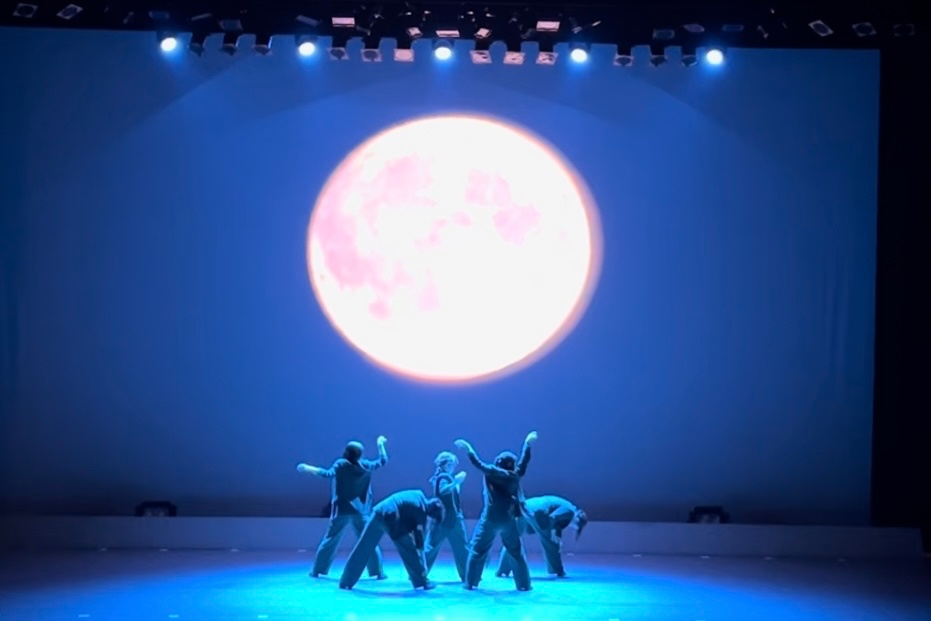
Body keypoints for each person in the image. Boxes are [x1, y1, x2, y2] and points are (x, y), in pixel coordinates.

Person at [454, 431, 537, 591]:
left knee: (477, 551)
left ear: (499, 462)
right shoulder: (515, 475)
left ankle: (470, 583)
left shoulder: (491, 472)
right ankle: (524, 585)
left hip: (490, 519)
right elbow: (524, 462)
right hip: (509, 519)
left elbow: (477, 463)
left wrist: (468, 448)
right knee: (516, 553)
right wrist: (527, 444)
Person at [296, 436, 388, 580]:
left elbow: (327, 474)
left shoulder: (341, 464)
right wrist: (380, 444)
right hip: (361, 511)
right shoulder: (366, 465)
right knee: (367, 541)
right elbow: (383, 461)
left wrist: (308, 468)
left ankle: (318, 570)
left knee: (330, 540)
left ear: (346, 452)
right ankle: (378, 572)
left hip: (342, 510)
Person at [339, 489, 445, 590]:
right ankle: (422, 582)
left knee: (363, 547)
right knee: (409, 552)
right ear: (431, 513)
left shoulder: (418, 494)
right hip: (392, 518)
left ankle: (346, 581)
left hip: (379, 511)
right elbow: (419, 544)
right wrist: (423, 566)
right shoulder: (421, 513)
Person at [495, 495, 588, 578]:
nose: (573, 527)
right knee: (551, 544)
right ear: (578, 519)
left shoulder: (568, 506)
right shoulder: (570, 511)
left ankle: (503, 570)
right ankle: (557, 571)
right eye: (576, 526)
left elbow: (557, 524)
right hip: (539, 512)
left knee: (513, 540)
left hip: (525, 507)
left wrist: (556, 535)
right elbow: (552, 518)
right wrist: (553, 536)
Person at [423, 451, 469, 581]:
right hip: (447, 519)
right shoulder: (442, 477)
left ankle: (419, 572)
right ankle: (468, 575)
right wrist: (456, 482)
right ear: (446, 464)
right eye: (452, 464)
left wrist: (456, 482)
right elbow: (442, 491)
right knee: (435, 546)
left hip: (448, 518)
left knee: (459, 547)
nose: (454, 467)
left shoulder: (443, 477)